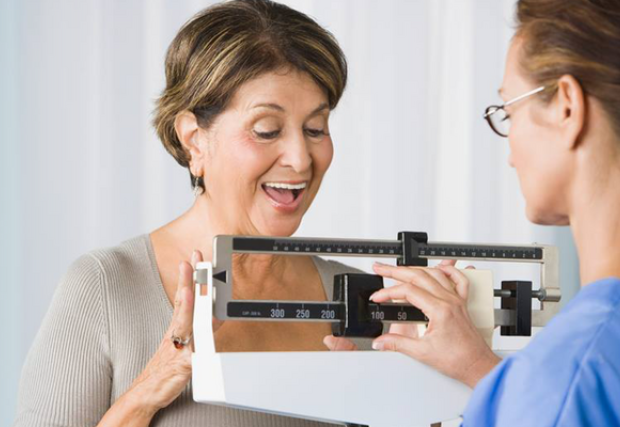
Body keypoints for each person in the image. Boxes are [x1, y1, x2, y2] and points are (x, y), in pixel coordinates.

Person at [13, 1, 362, 426]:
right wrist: (149, 390)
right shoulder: (105, 288)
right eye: (267, 130)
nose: (301, 159)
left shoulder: (361, 299)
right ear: (195, 140)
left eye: (315, 129)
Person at [360, 0, 620, 425]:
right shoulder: (572, 372)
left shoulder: (570, 368)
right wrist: (483, 371)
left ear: (567, 107)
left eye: (509, 111)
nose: (511, 154)